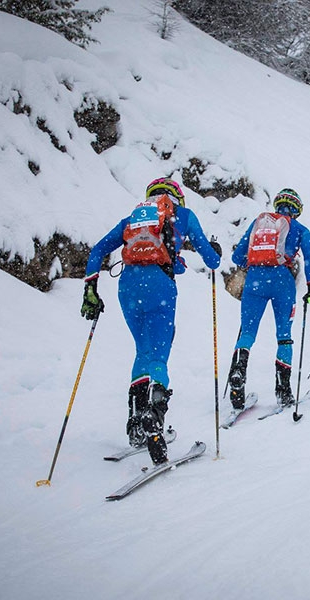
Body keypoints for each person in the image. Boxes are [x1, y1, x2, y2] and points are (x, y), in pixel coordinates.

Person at [80, 177, 221, 464]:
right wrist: (214, 252)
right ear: (177, 198)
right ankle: (153, 421)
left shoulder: (133, 219)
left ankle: (135, 425)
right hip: (160, 287)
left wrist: (90, 288)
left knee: (142, 350)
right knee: (159, 356)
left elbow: (97, 250)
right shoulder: (183, 216)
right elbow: (212, 261)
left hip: (128, 286)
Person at [227, 188, 310, 409]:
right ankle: (283, 391)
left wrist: (254, 264)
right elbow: (309, 258)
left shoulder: (259, 224)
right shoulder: (301, 229)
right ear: (296, 210)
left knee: (247, 332)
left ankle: (238, 377)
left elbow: (237, 256)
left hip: (255, 279)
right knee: (284, 336)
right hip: (282, 281)